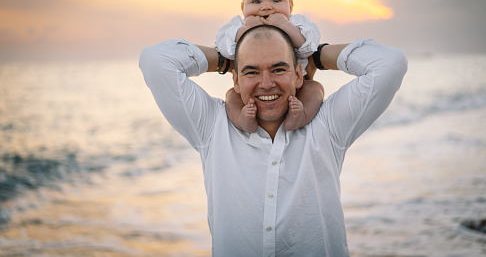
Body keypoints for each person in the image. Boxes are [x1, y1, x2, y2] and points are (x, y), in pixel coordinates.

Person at [139, 24, 407, 256]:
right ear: (236, 79)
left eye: (279, 69)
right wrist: (224, 59)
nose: (266, 83)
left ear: (299, 74)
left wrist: (316, 56)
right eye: (251, 72)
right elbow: (155, 60)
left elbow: (390, 63)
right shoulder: (211, 125)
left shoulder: (328, 124)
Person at [216, 0, 324, 133]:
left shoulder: (296, 22)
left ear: (291, 5)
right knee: (232, 96)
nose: (266, 7)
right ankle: (242, 119)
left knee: (315, 89)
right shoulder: (238, 25)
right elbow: (224, 47)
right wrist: (245, 31)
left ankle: (300, 116)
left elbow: (308, 46)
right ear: (243, 7)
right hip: (253, 94)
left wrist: (284, 25)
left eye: (276, 0)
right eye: (256, 2)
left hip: (300, 83)